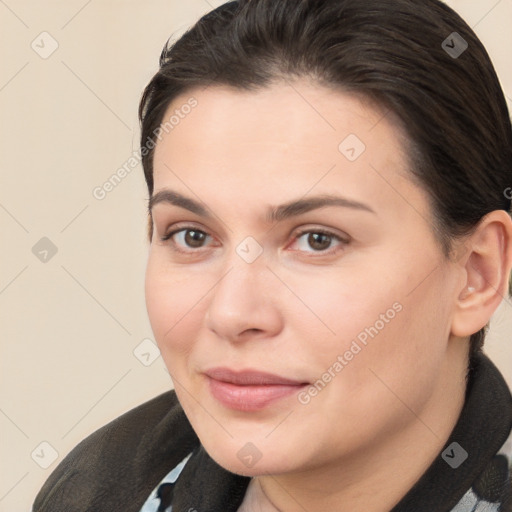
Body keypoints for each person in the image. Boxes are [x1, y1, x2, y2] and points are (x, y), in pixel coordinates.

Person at [33, 0, 512, 510]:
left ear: (476, 275)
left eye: (317, 240)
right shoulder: (100, 488)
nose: (232, 314)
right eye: (192, 236)